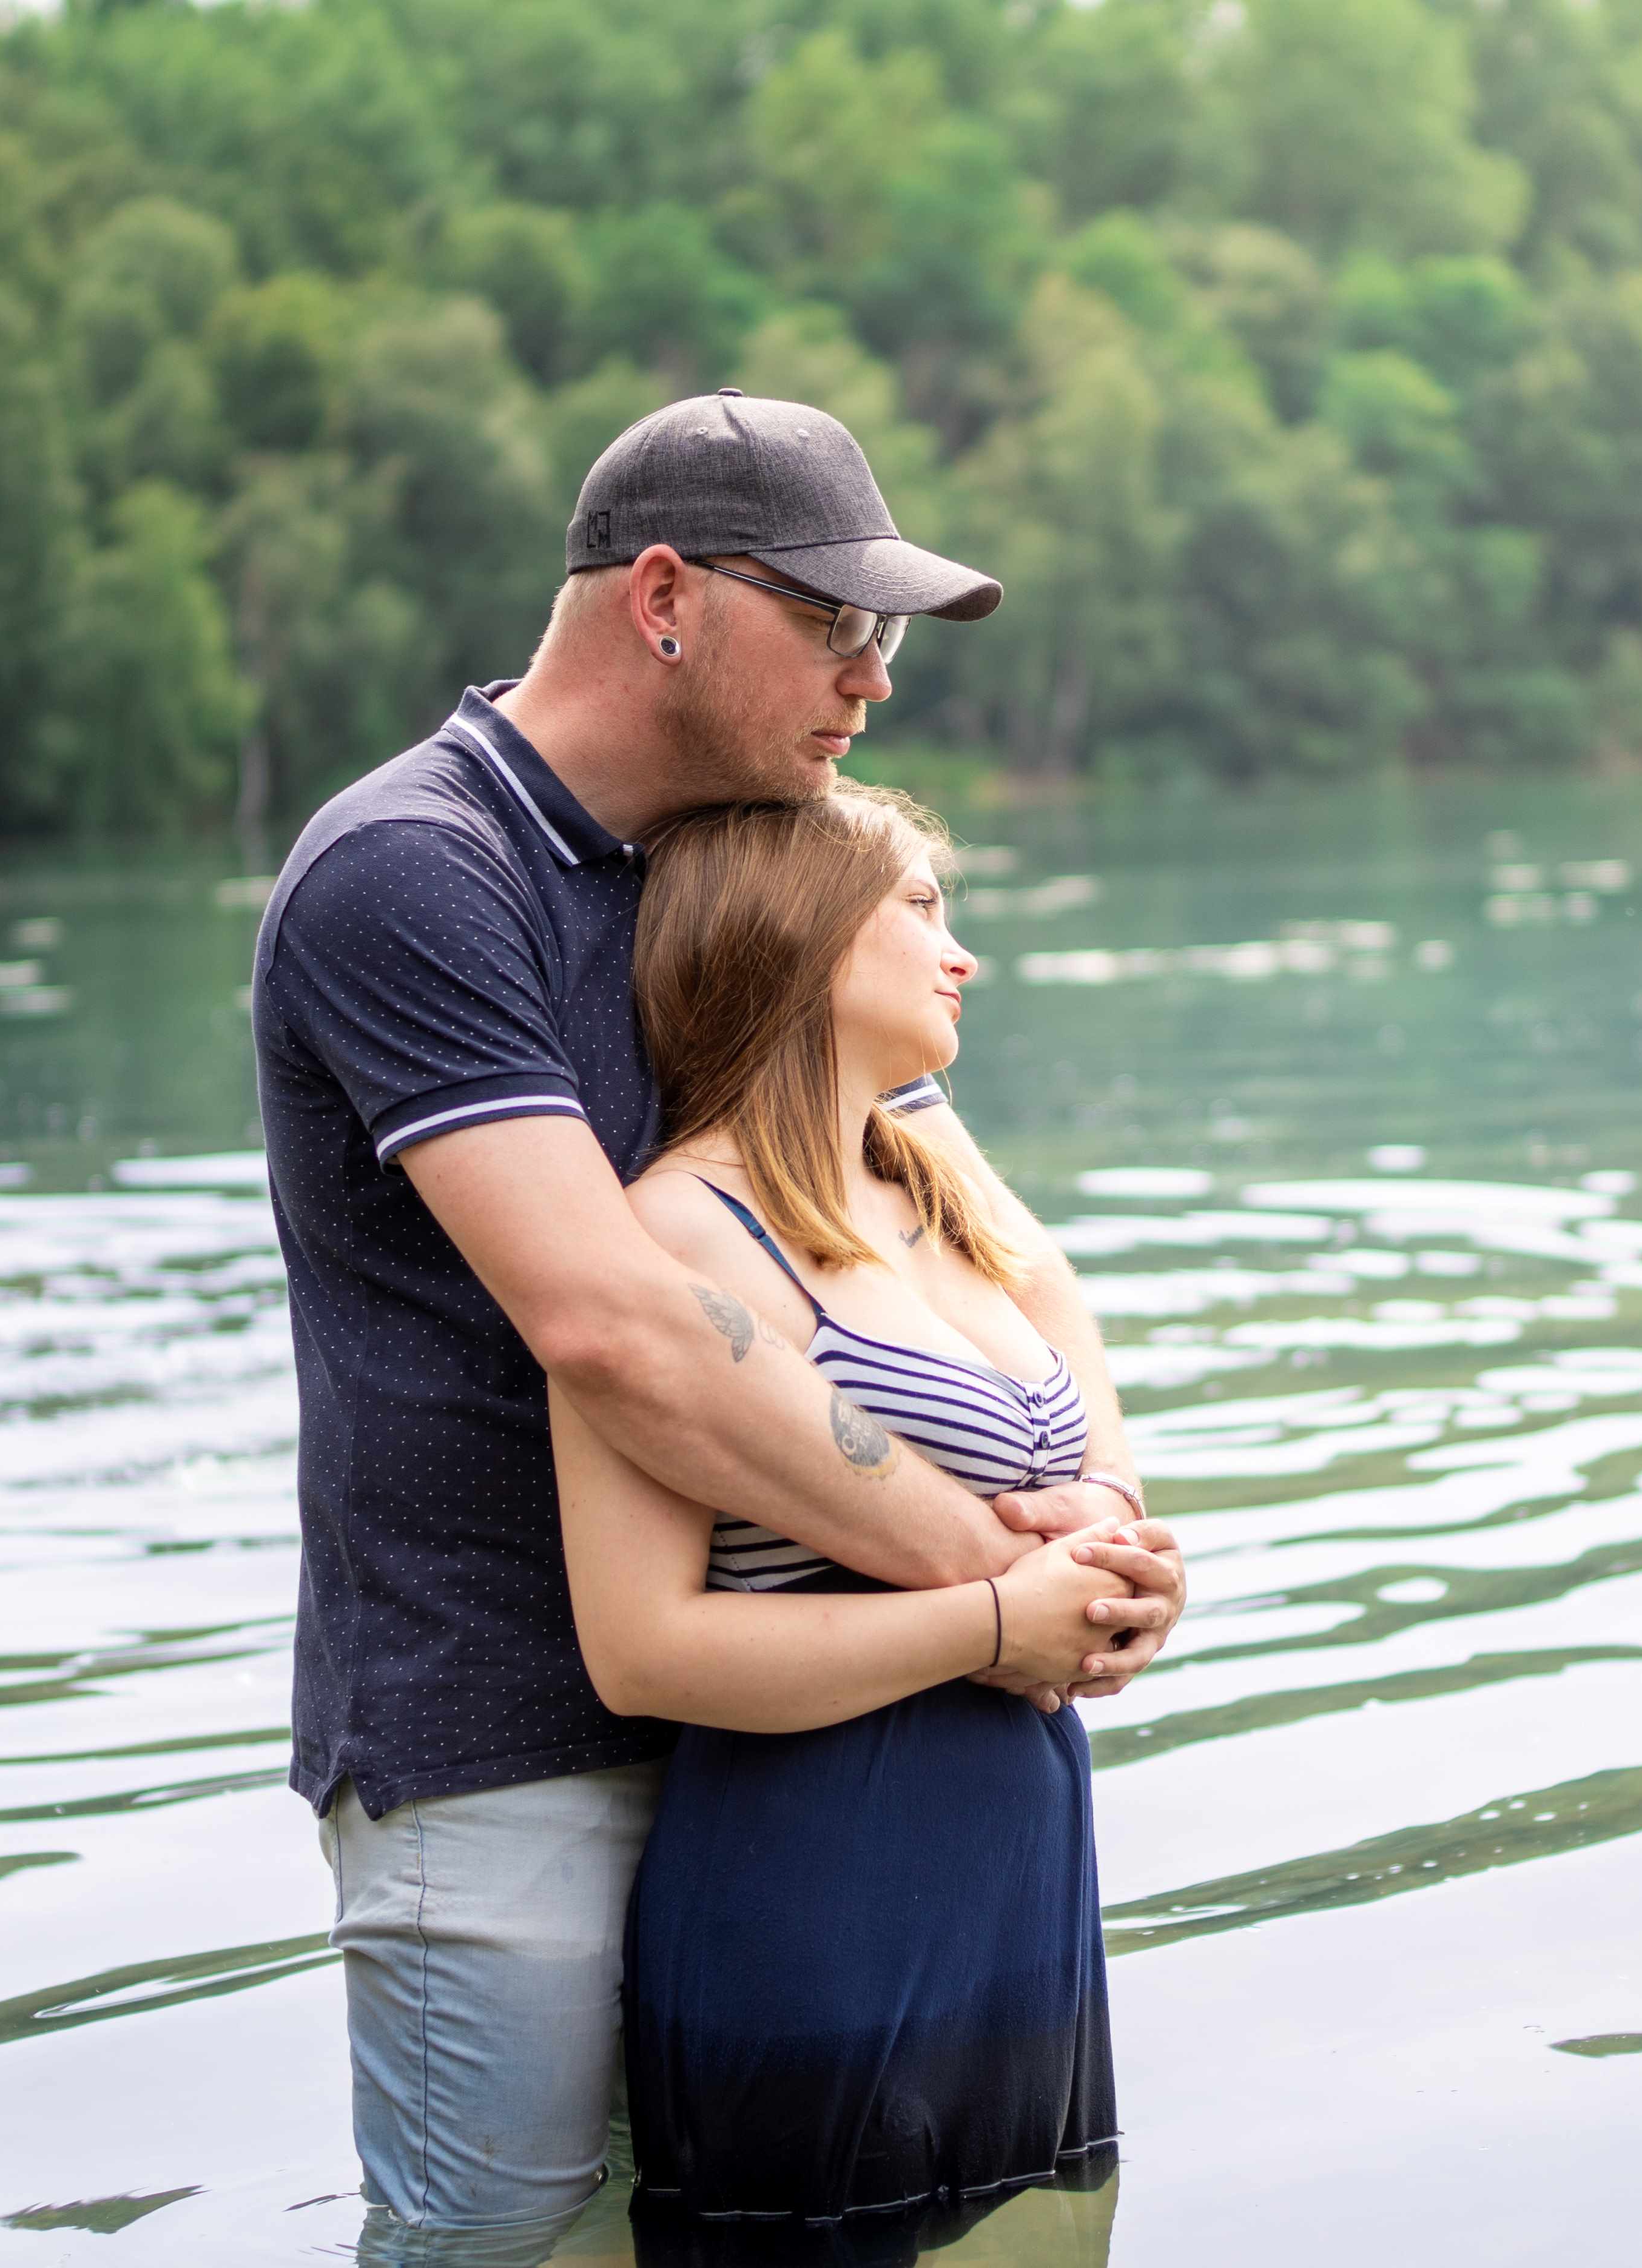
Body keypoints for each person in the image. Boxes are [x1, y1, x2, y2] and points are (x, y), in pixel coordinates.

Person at [249, 391, 1186, 2259]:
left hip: (781, 1748)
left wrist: (1106, 1512)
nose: (875, 679)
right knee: (508, 2252)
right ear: (664, 598)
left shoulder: (760, 852)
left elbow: (976, 1227)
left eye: (889, 636)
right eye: (837, 623)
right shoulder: (416, 871)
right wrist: (1000, 1601)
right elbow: (617, 1326)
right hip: (495, 1743)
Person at [559, 785, 1128, 2260]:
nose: (965, 953)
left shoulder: (931, 1192)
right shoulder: (678, 1232)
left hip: (1023, 1866)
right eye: (924, 908)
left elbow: (1076, 1386)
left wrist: (1128, 1552)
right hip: (822, 1890)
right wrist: (1002, 1619)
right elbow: (644, 1650)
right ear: (802, 938)